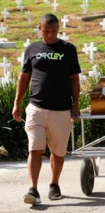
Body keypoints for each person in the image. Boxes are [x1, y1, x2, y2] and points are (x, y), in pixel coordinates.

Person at [12, 14, 81, 205]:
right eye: (46, 31)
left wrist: (76, 104)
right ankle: (33, 190)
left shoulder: (68, 49)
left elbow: (74, 78)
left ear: (58, 30)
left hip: (61, 110)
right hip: (36, 108)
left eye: (54, 32)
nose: (50, 36)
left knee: (58, 152)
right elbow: (24, 78)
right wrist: (17, 102)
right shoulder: (32, 49)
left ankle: (54, 184)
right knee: (35, 148)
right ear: (39, 29)